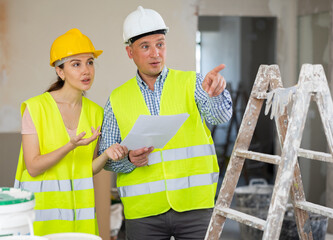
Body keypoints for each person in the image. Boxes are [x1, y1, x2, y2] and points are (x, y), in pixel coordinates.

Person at [99, 6, 232, 240]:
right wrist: (128, 160)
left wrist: (216, 94)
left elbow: (220, 117)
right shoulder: (117, 98)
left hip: (195, 207)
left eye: (160, 44)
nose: (155, 53)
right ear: (130, 52)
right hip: (143, 213)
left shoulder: (194, 83)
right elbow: (107, 157)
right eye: (145, 46)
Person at [14, 28, 128, 236]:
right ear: (60, 71)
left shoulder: (96, 112)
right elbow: (33, 167)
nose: (86, 70)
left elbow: (88, 169)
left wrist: (106, 155)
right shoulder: (35, 108)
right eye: (76, 64)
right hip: (40, 221)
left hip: (79, 221)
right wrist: (70, 146)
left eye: (90, 62)